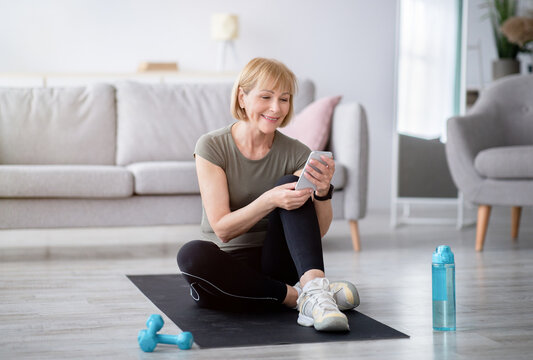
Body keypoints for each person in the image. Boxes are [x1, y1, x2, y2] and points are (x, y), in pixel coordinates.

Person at [177, 57, 359, 332]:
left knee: (290, 182)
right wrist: (269, 199)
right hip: (230, 265)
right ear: (242, 97)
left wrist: (322, 192)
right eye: (266, 97)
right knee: (191, 256)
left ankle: (312, 288)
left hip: (277, 262)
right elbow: (223, 230)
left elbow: (315, 233)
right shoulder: (212, 146)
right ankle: (302, 297)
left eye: (284, 99)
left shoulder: (297, 152)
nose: (276, 108)